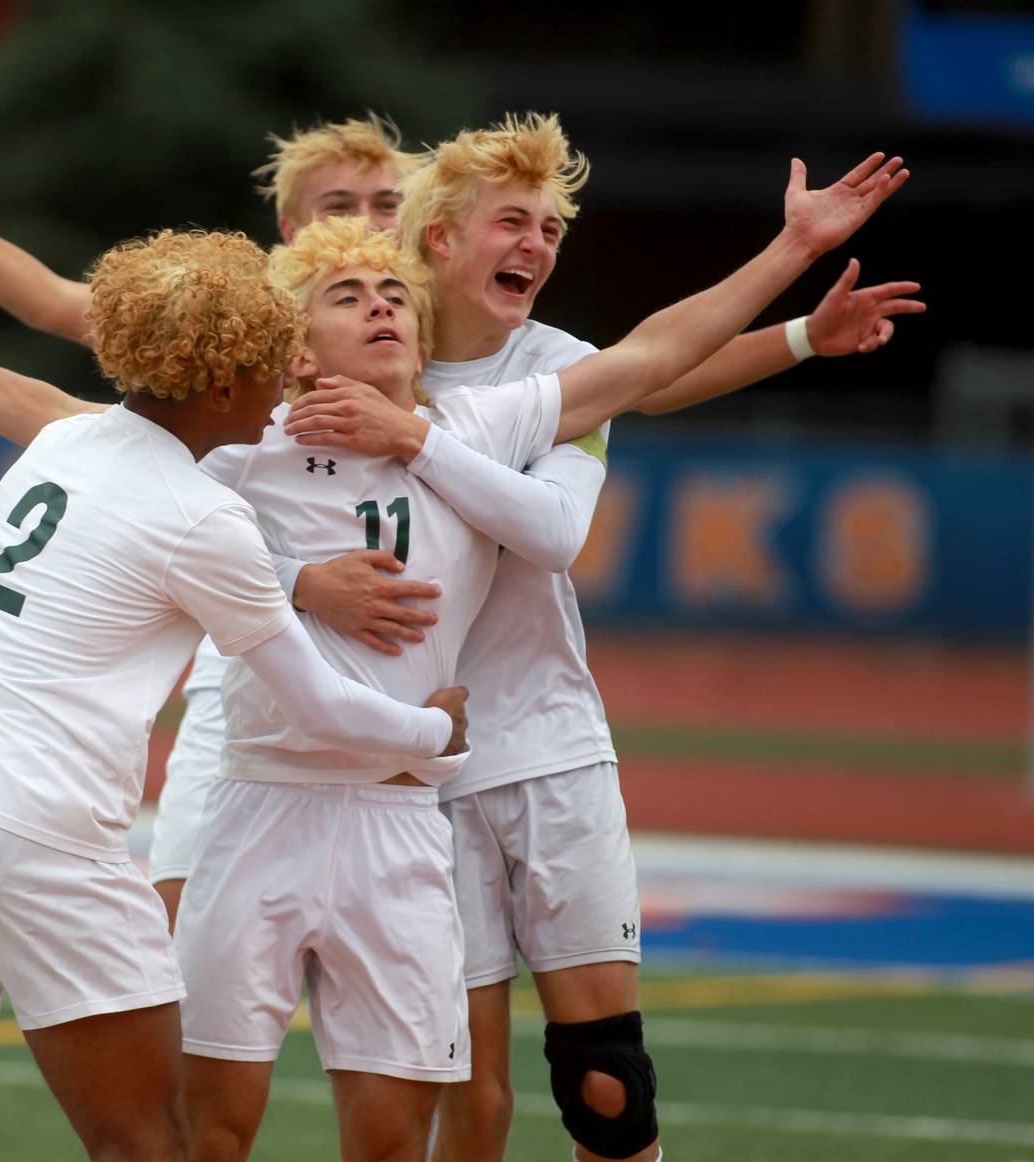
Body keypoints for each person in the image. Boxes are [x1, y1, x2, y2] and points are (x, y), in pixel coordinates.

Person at [0, 135, 908, 1159]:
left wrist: (794, 260)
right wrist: (337, 619)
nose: (383, 300)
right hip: (257, 795)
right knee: (196, 1129)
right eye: (350, 293)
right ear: (290, 346)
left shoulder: (482, 418)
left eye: (392, 287)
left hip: (403, 818)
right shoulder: (242, 442)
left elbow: (652, 362)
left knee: (411, 1125)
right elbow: (75, 411)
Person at [281, 114, 921, 1162]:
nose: (535, 246)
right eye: (510, 223)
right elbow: (217, 505)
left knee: (606, 1085)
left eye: (548, 228)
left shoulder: (555, 371)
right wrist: (307, 579)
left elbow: (561, 526)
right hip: (410, 769)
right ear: (439, 239)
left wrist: (799, 280)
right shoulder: (351, 356)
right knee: (457, 1092)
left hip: (544, 746)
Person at [0, 225, 468, 1162]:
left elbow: (49, 410)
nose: (284, 382)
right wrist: (434, 731)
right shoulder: (204, 515)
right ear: (222, 383)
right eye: (272, 364)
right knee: (153, 1143)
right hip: (45, 834)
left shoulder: (61, 446)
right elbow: (318, 703)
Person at [0, 100, 438, 924]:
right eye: (340, 205)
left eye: (387, 203)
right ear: (289, 227)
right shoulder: (233, 331)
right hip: (251, 666)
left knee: (438, 990)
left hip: (413, 682)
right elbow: (53, 326)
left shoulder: (453, 346)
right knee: (193, 929)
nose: (367, 221)